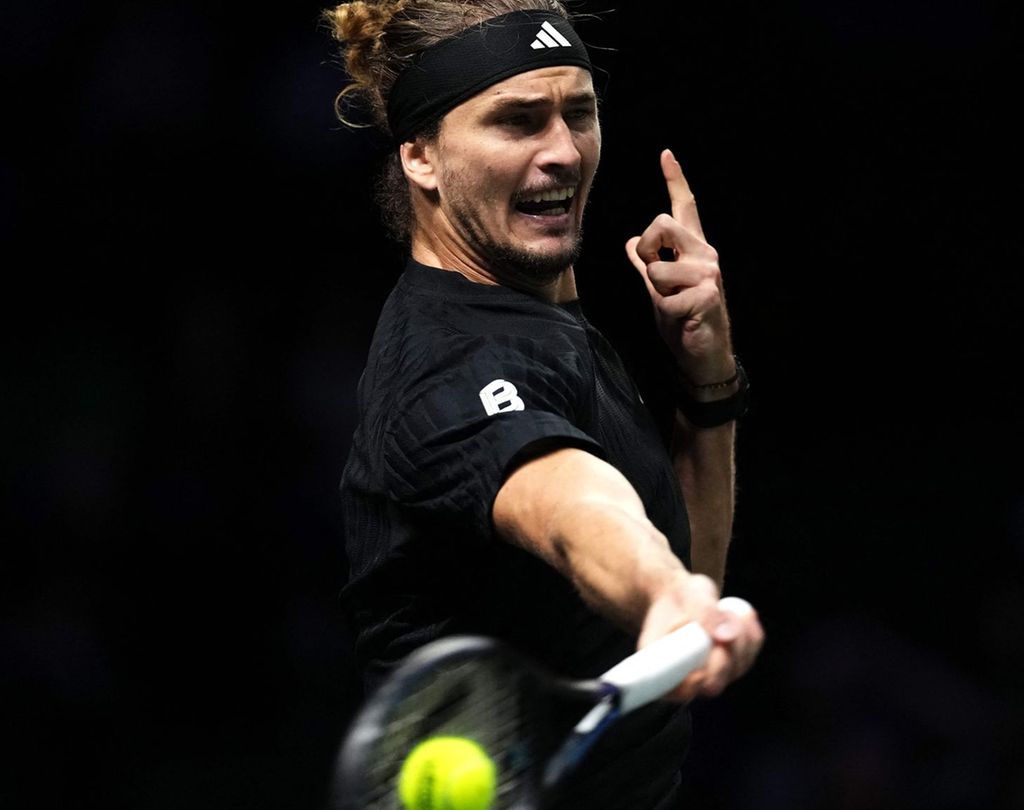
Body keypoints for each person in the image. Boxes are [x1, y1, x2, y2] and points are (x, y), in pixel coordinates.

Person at [325, 2, 765, 806]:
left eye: (580, 113)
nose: (563, 152)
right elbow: (567, 505)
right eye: (519, 121)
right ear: (421, 157)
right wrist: (662, 590)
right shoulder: (447, 367)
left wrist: (708, 381)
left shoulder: (541, 316)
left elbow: (675, 597)